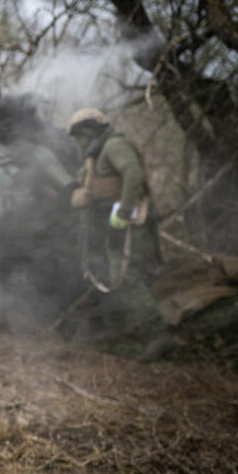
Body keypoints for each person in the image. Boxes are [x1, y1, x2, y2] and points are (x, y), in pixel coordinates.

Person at [66, 107, 172, 360]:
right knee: (111, 274)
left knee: (127, 277)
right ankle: (118, 331)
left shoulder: (114, 146)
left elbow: (133, 175)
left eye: (79, 136)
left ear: (89, 130)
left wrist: (122, 215)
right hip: (113, 222)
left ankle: (159, 336)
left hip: (129, 223)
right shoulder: (97, 152)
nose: (78, 142)